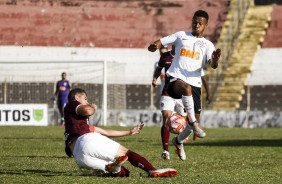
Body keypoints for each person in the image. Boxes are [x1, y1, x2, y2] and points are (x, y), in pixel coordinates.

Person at [148, 10, 221, 160]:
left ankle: (178, 141)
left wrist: (215, 59)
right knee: (186, 91)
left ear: (205, 25)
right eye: (195, 22)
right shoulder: (181, 35)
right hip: (175, 79)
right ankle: (194, 124)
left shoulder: (208, 45)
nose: (196, 25)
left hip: (196, 83)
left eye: (200, 23)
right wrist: (154, 46)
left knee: (191, 119)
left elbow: (212, 65)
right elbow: (161, 41)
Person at [64, 88, 178, 177]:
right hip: (86, 141)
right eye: (85, 99)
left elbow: (105, 131)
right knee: (126, 152)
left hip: (80, 159)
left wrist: (129, 132)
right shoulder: (72, 103)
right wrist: (92, 107)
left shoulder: (75, 125)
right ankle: (151, 170)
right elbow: (88, 110)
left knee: (124, 173)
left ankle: (116, 168)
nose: (87, 102)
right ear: (77, 97)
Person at [152, 46, 212, 160]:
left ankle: (179, 142)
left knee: (188, 122)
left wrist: (208, 93)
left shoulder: (190, 59)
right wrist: (154, 79)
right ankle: (165, 150)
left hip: (183, 94)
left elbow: (202, 77)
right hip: (167, 91)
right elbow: (158, 69)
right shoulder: (165, 57)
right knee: (166, 118)